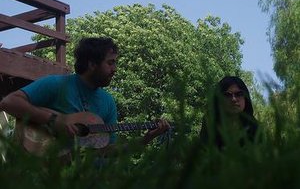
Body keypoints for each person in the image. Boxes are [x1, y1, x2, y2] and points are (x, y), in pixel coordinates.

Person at [0, 37, 169, 157]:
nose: (115, 69)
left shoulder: (108, 102)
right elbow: (9, 102)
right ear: (91, 64)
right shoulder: (56, 84)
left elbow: (109, 151)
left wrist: (147, 138)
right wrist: (53, 120)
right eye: (110, 62)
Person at [199, 76, 259, 149]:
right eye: (227, 95)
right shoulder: (210, 125)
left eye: (239, 94)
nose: (234, 99)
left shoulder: (257, 129)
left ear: (246, 98)